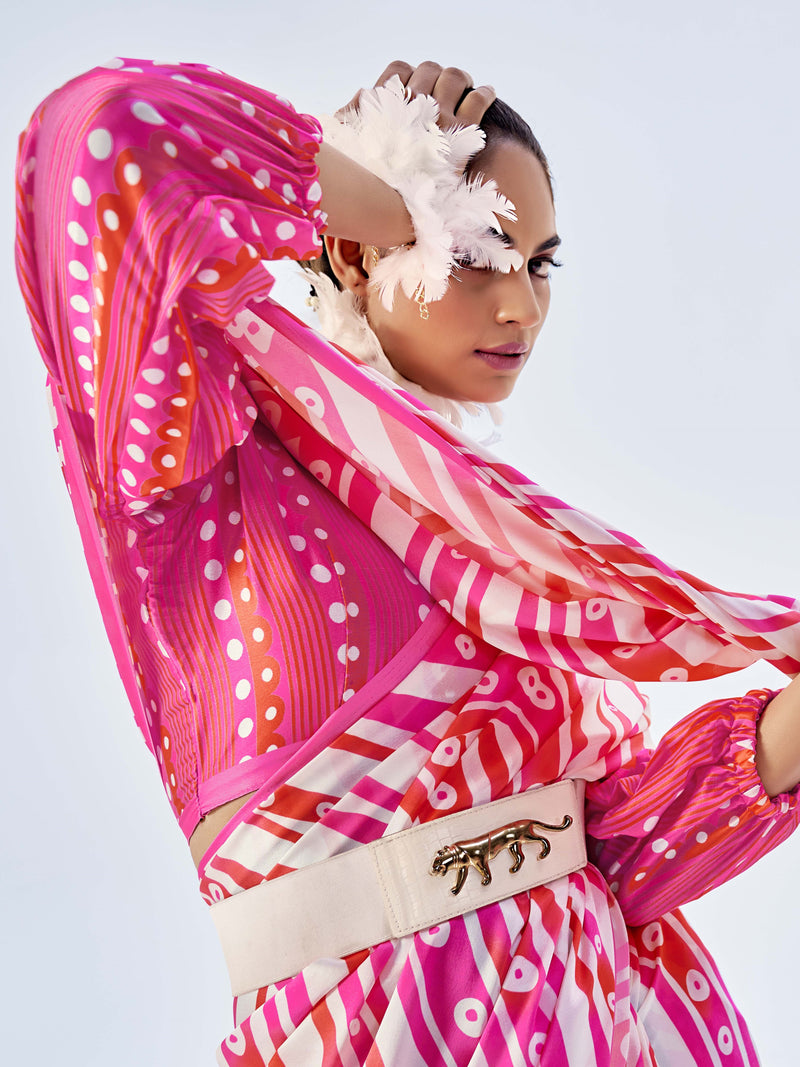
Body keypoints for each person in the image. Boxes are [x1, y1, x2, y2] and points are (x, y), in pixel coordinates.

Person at [15, 56, 800, 1065]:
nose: (519, 307)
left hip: (588, 1026)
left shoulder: (512, 557)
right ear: (353, 246)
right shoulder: (213, 459)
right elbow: (108, 136)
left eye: (539, 263)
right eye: (476, 251)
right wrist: (377, 192)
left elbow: (608, 858)